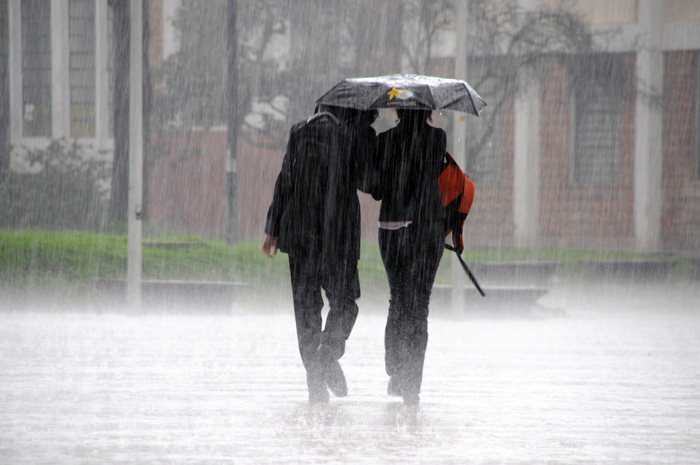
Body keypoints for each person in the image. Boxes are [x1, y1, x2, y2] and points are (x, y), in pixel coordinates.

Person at [263, 105, 377, 404]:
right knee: (345, 302)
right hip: (337, 234)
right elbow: (369, 182)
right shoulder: (352, 134)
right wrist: (367, 136)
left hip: (299, 233)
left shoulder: (299, 130)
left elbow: (285, 178)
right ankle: (327, 354)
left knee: (306, 310)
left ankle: (315, 385)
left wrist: (273, 227)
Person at [368, 109, 446, 406]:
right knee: (419, 304)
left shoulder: (384, 140)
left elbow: (375, 190)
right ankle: (411, 383)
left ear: (398, 109)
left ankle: (396, 370)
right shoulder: (437, 138)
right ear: (428, 109)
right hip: (426, 231)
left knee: (398, 298)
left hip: (391, 230)